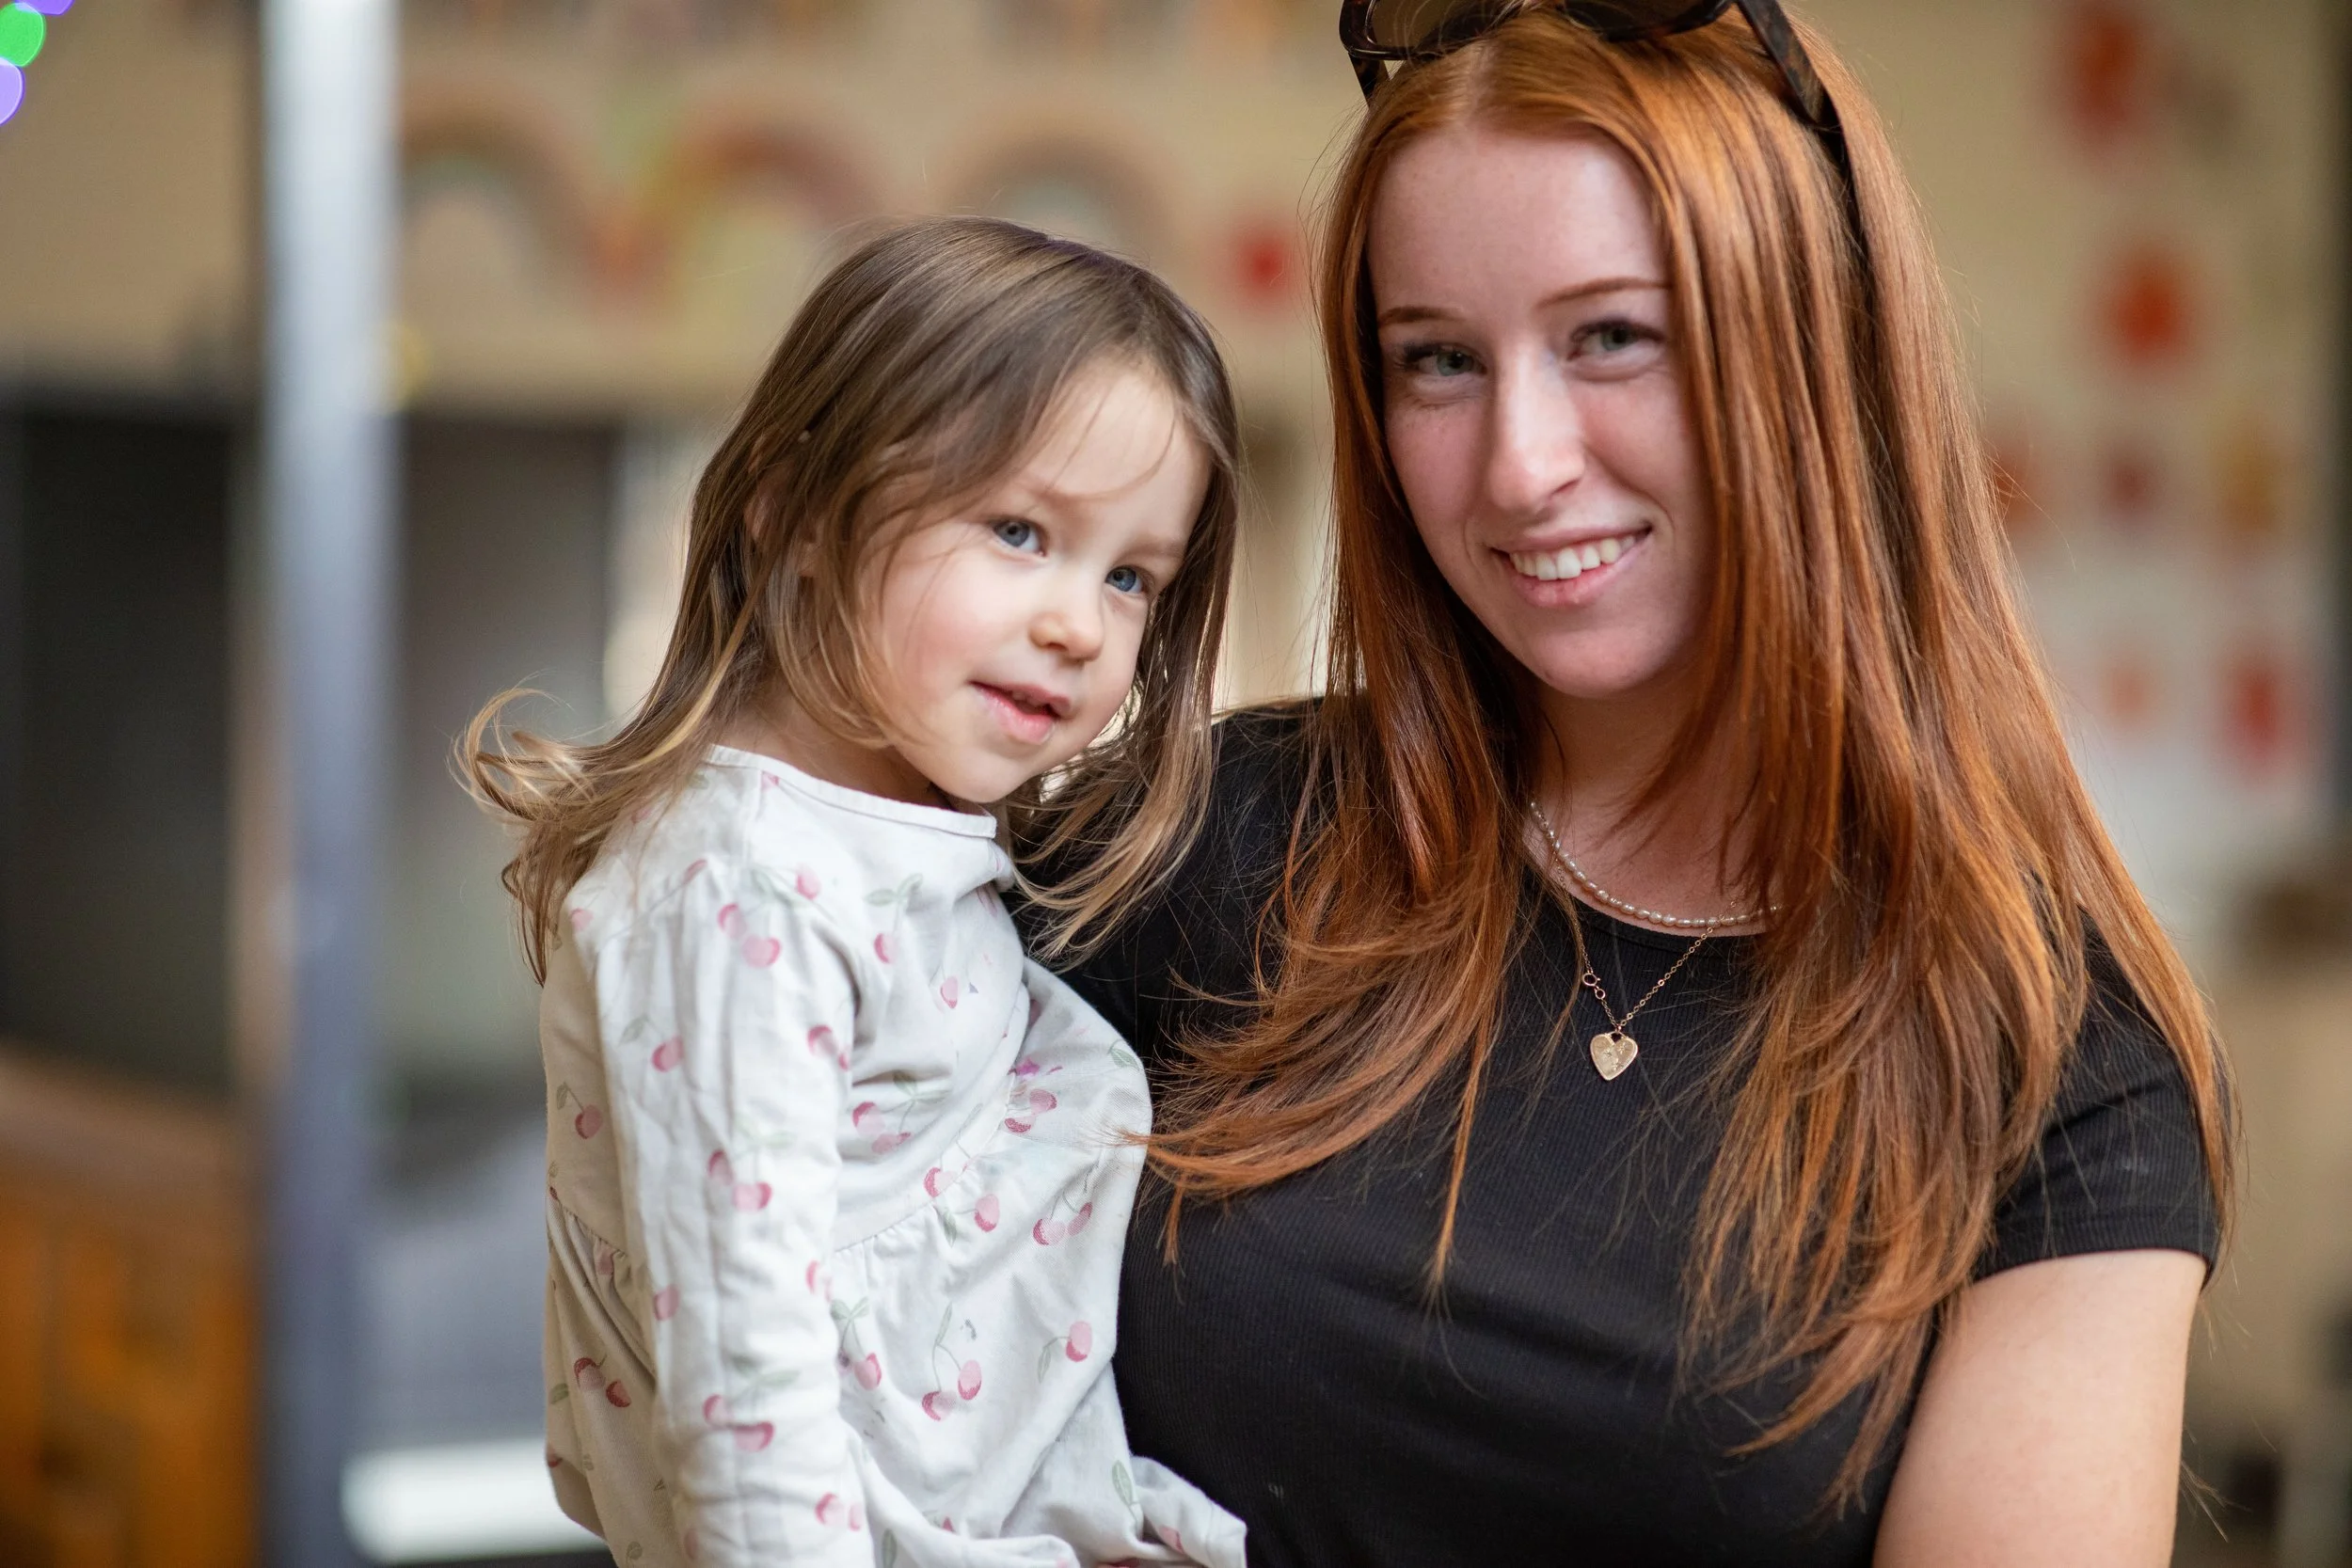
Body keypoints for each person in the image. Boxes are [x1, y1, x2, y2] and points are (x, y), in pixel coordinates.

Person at [1035, 6, 2233, 1565]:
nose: (1522, 464)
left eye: (1613, 335)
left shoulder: (2057, 1063)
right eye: (1439, 361)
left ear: (1814, 354)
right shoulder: (1205, 834)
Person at [467, 216, 1247, 1568]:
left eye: (1131, 576)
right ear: (796, 509)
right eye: (1019, 529)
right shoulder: (739, 884)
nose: (1081, 621)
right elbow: (742, 1366)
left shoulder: (900, 842)